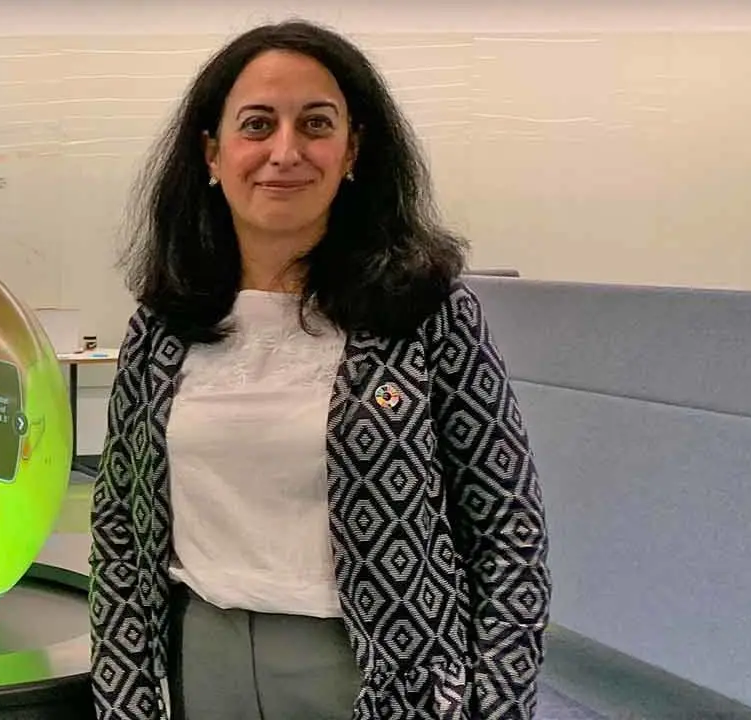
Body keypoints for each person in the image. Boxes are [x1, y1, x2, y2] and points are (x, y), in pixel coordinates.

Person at [88, 20, 549, 720]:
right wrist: (124, 697)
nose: (285, 151)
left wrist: (499, 701)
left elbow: (507, 528)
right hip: (202, 665)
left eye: (315, 123)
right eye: (256, 125)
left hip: (381, 676)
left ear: (352, 149)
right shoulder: (164, 325)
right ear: (211, 153)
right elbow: (121, 528)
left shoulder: (427, 313)